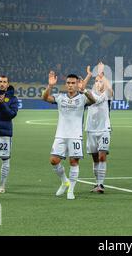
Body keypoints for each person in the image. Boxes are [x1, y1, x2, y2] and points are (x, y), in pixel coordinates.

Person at [43, 70, 96, 200]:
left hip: (75, 136)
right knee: (54, 160)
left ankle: (71, 190)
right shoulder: (60, 98)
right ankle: (64, 181)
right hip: (60, 135)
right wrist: (50, 86)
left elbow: (93, 100)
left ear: (78, 83)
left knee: (74, 162)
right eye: (68, 83)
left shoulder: (82, 98)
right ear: (66, 84)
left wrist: (84, 90)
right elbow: (45, 98)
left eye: (73, 83)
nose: (70, 85)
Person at [85, 63, 113, 194]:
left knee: (102, 157)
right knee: (95, 158)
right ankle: (97, 183)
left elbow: (111, 90)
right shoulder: (89, 94)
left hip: (104, 130)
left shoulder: (107, 94)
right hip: (90, 130)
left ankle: (101, 184)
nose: (98, 83)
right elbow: (82, 89)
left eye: (100, 81)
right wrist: (90, 75)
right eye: (96, 81)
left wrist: (103, 76)